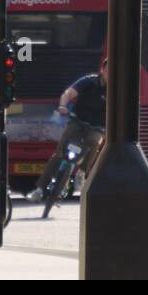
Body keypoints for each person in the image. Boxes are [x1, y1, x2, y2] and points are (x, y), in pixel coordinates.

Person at [28, 58, 108, 201]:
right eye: (107, 70)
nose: (109, 73)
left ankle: (82, 173)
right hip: (78, 121)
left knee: (95, 141)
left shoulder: (116, 89)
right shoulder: (89, 81)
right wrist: (63, 105)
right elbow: (69, 93)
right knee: (59, 154)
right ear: (102, 70)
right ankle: (39, 189)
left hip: (97, 126)